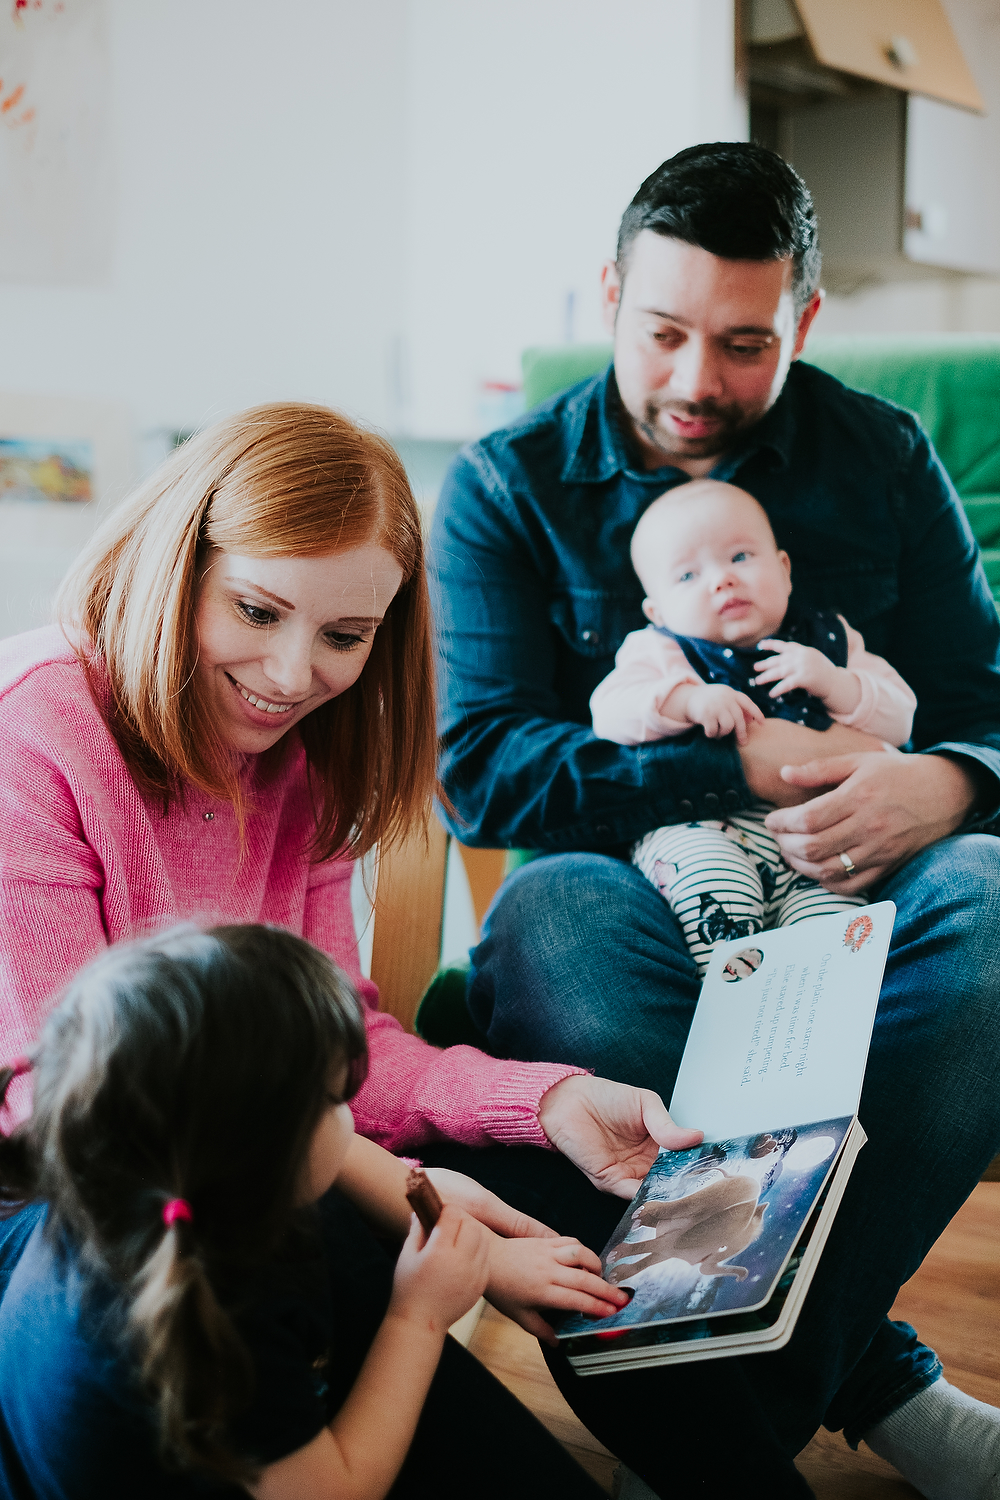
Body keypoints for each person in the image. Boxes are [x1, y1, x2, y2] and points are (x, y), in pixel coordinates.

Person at [0, 402, 714, 1494]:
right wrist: (410, 1198)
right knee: (331, 1231)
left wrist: (548, 1099)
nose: (292, 676)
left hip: (243, 1150)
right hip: (63, 1192)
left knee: (568, 1177)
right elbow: (72, 1106)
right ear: (176, 568)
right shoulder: (36, 736)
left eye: (344, 635)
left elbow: (339, 1044)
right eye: (256, 609)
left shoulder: (297, 759)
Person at [429, 143, 1000, 1498]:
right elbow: (484, 770)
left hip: (868, 879)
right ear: (612, 293)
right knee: (551, 921)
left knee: (992, 907)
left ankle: (700, 1436)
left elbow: (983, 693)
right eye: (665, 332)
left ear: (802, 320)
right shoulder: (507, 484)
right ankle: (863, 1387)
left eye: (743, 344)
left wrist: (954, 780)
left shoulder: (881, 456)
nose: (697, 381)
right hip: (623, 894)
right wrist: (736, 775)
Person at [0, 922, 612, 1498]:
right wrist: (417, 1316)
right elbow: (336, 1491)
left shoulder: (124, 1175)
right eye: (330, 1100)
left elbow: (336, 1154)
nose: (350, 1120)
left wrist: (431, 1194)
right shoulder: (213, 1317)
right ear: (261, 1149)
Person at [590, 479, 916, 972]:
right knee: (720, 892)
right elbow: (607, 715)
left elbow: (901, 720)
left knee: (833, 939)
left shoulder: (829, 640)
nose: (721, 580)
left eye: (740, 557)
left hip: (818, 844)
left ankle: (803, 1028)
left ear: (784, 571)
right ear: (657, 611)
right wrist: (685, 700)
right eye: (687, 576)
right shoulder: (660, 649)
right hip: (701, 830)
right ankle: (729, 1016)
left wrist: (837, 683)